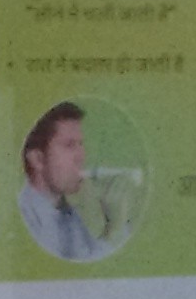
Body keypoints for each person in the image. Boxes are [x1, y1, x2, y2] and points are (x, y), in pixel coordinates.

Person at [18, 102, 139, 262]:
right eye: (69, 145)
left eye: (80, 144)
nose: (81, 156)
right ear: (38, 159)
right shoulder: (25, 218)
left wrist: (116, 220)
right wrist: (115, 227)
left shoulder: (67, 213)